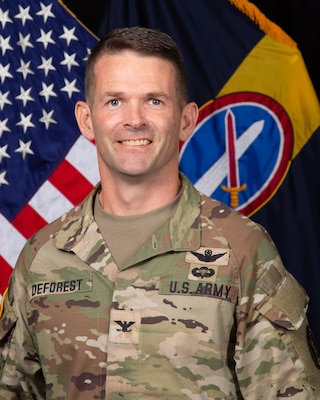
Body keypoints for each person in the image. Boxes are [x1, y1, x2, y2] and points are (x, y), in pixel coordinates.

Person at [0, 26, 319, 400]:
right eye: (114, 101)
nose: (134, 120)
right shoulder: (42, 256)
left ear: (186, 120)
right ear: (87, 120)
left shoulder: (243, 250)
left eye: (154, 100)